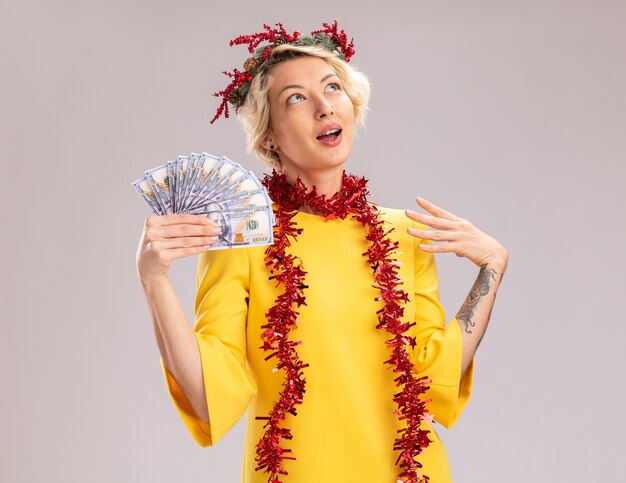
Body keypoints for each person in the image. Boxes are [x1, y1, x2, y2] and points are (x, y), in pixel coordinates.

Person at [135, 21, 509, 483]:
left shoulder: (404, 234)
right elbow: (208, 392)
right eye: (296, 97)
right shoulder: (244, 240)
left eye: (332, 88)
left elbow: (434, 381)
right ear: (268, 136)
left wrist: (491, 270)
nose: (323, 106)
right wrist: (153, 281)